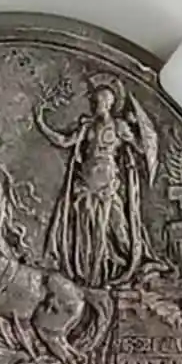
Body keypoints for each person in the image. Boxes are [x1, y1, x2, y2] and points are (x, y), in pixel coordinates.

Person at [35, 78, 158, 286]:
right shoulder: (87, 126)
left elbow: (140, 147)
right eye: (95, 100)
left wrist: (138, 128)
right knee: (86, 231)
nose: (95, 104)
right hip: (87, 180)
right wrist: (41, 124)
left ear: (109, 103)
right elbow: (65, 141)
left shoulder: (119, 126)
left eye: (100, 101)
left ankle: (132, 264)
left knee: (117, 227)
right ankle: (91, 274)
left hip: (107, 181)